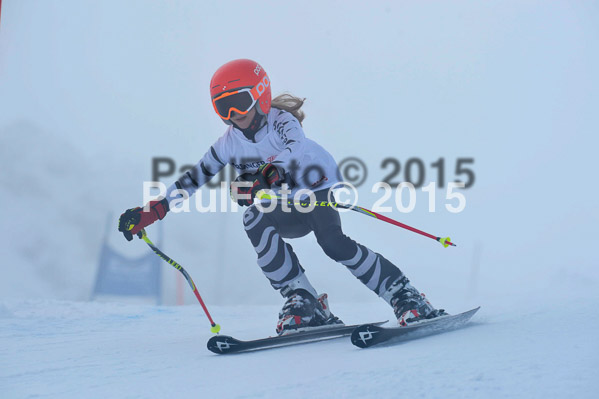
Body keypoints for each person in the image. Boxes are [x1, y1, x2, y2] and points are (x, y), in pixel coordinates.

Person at [118, 59, 447, 335]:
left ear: (261, 96)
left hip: (313, 188)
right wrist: (152, 211)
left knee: (333, 243)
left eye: (240, 102)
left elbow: (295, 149)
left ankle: (404, 294)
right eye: (223, 106)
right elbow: (194, 178)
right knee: (251, 217)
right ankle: (303, 299)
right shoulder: (228, 143)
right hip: (280, 203)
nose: (234, 112)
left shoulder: (282, 122)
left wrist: (265, 176)